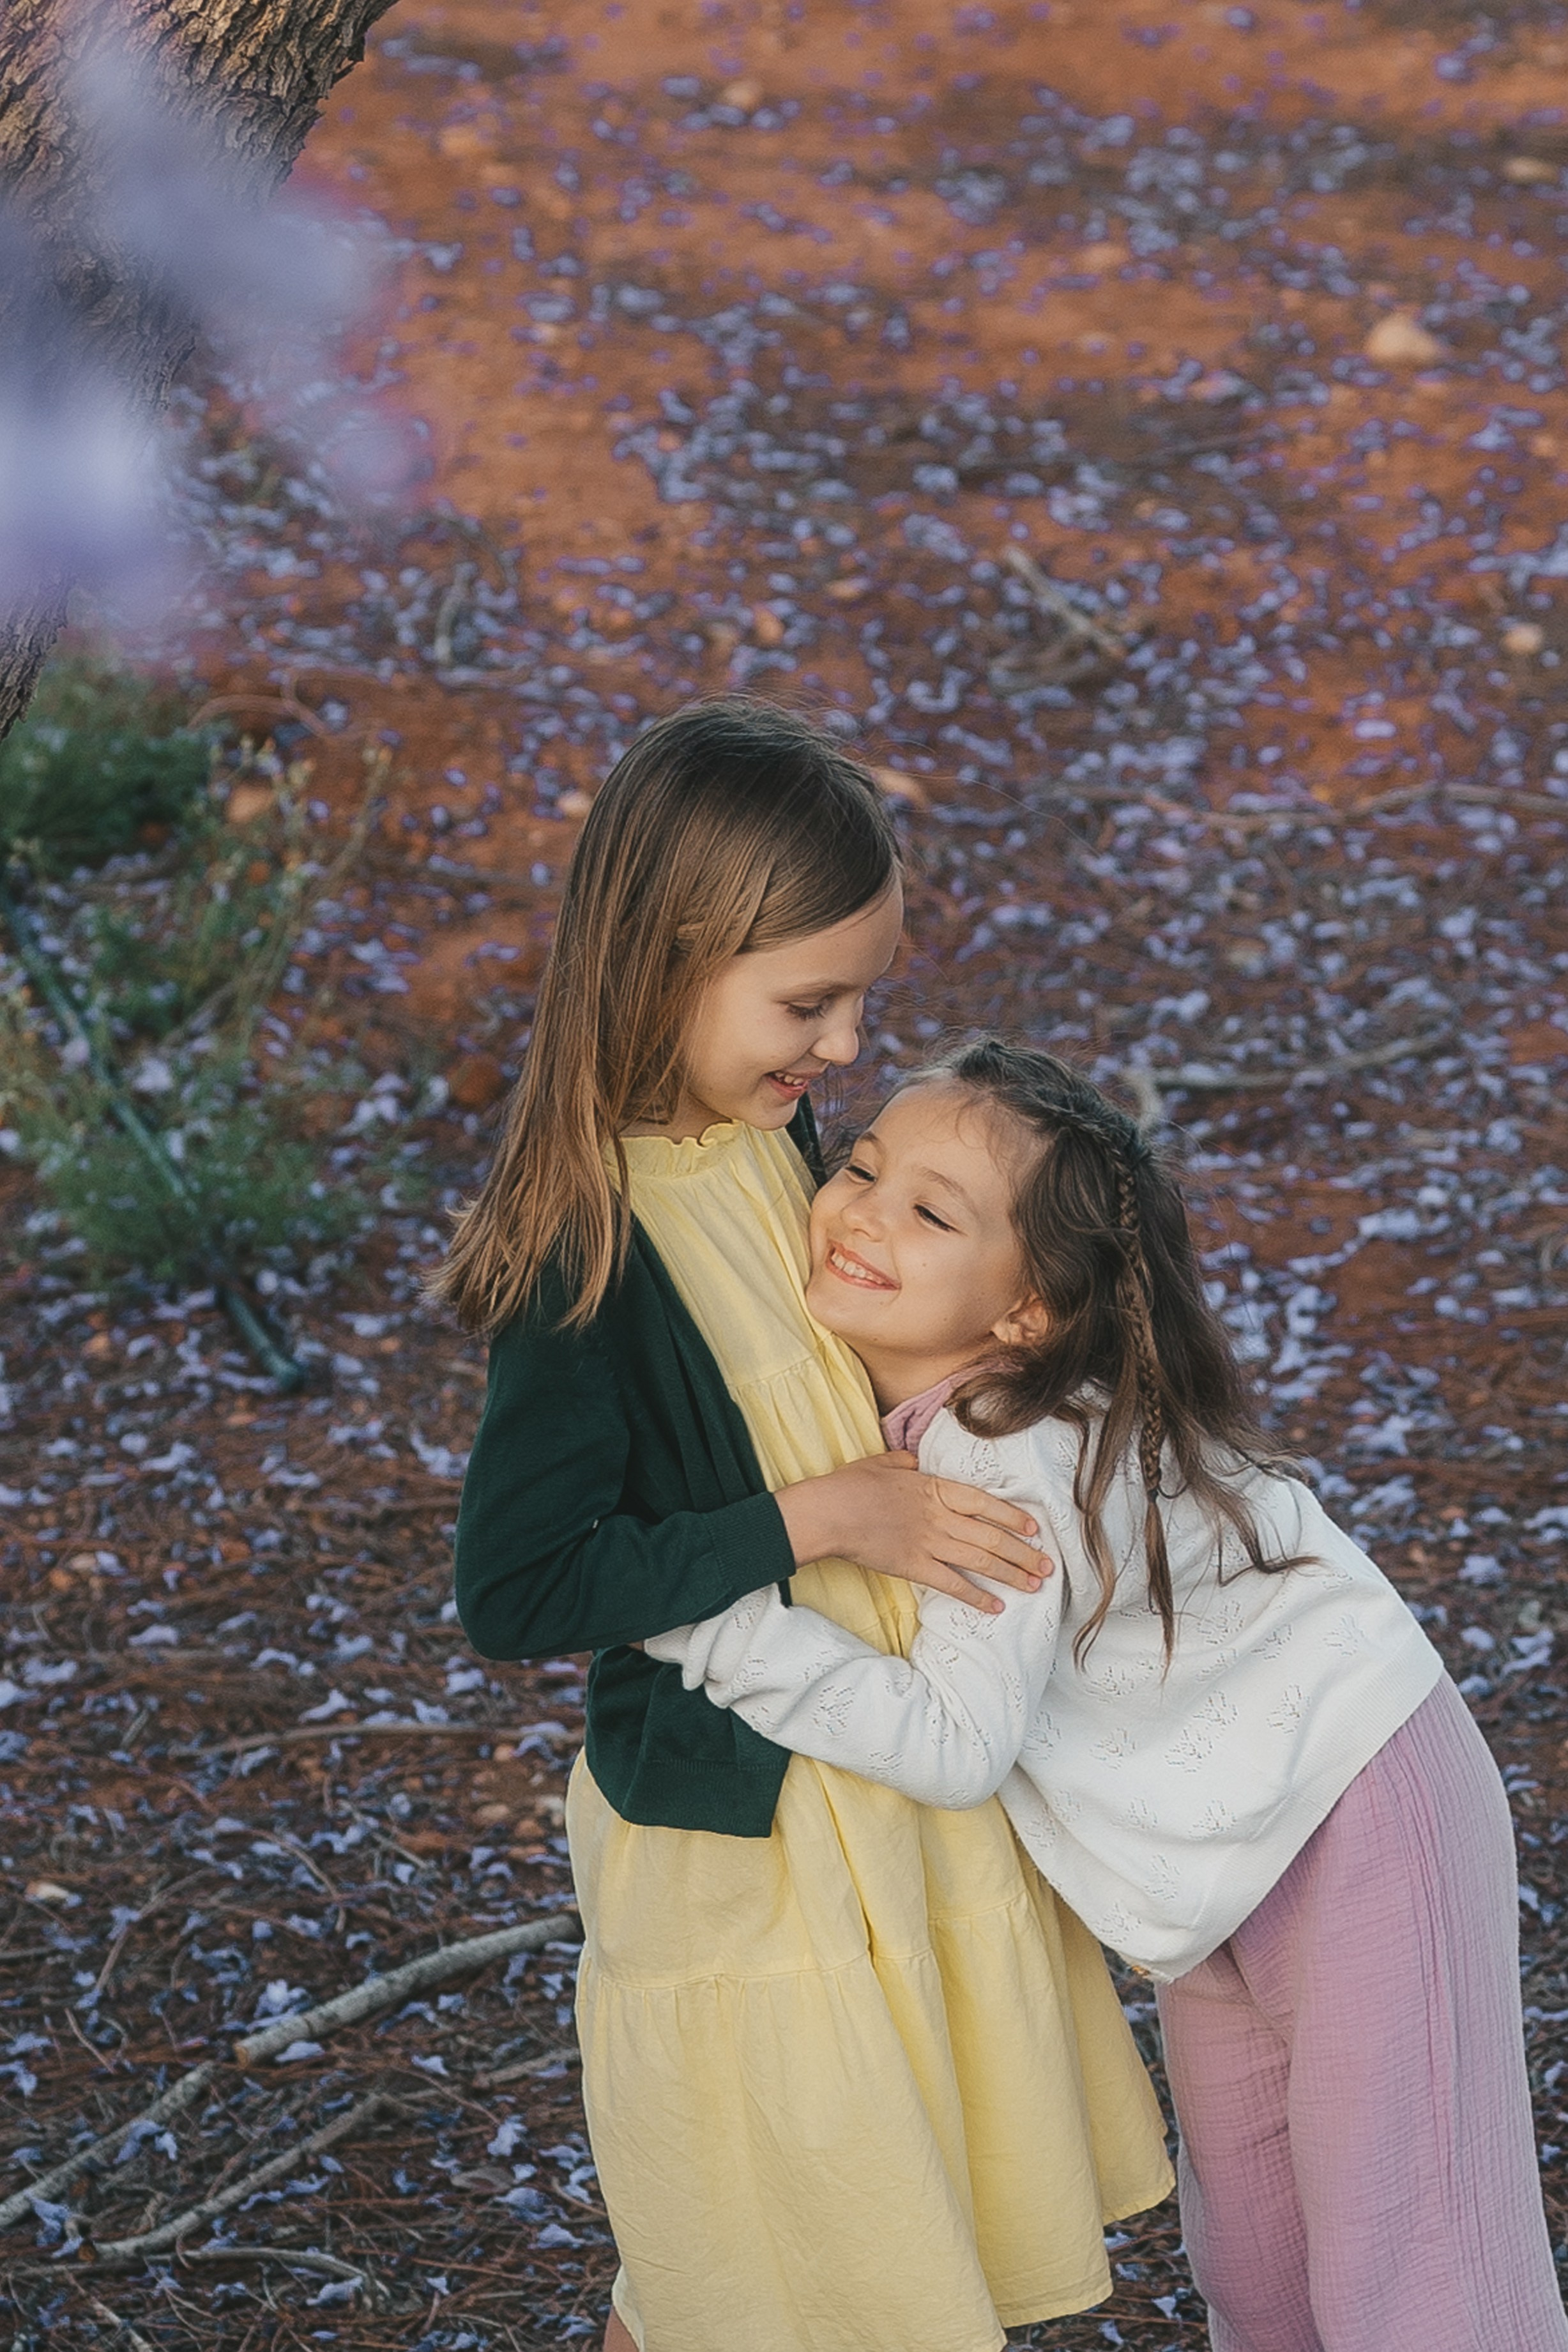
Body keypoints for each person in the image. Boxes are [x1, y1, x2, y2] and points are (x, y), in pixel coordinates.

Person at [439, 707, 1173, 2352]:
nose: (843, 1045)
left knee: (874, 2228)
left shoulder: (772, 1136)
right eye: (806, 1002)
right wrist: (813, 1515)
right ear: (670, 956)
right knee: (736, 2253)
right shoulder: (583, 1243)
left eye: (859, 999)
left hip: (888, 1764)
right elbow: (521, 1584)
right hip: (744, 1830)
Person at [650, 1037, 1568, 2352]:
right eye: (859, 1167)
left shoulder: (1008, 1446)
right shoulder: (938, 1412)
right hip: (1223, 1866)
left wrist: (716, 1625)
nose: (861, 1211)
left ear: (1027, 1309)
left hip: (1359, 1805)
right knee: (1258, 2265)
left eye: (930, 1212)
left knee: (1417, 2267)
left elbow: (955, 1741)